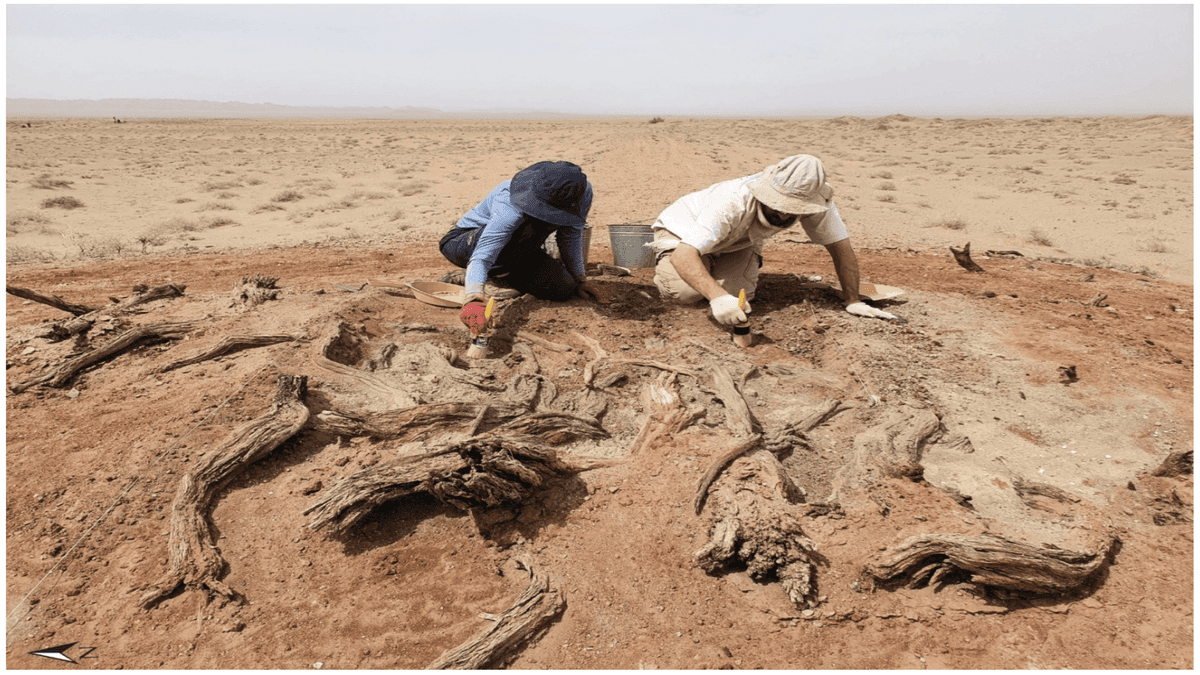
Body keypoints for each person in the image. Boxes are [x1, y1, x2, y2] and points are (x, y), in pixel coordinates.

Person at [649, 154, 897, 325]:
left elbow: (840, 248)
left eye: (793, 208)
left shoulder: (817, 202)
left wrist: (852, 300)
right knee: (686, 294)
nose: (783, 214)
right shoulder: (732, 201)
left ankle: (712, 271)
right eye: (777, 204)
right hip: (683, 234)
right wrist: (717, 297)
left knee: (739, 297)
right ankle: (670, 264)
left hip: (737, 242)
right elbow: (685, 254)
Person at [439, 160, 609, 335]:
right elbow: (484, 255)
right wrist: (473, 299)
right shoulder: (510, 202)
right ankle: (479, 279)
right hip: (463, 244)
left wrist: (580, 279)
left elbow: (570, 236)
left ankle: (498, 277)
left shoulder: (580, 194)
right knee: (521, 231)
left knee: (563, 288)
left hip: (520, 251)